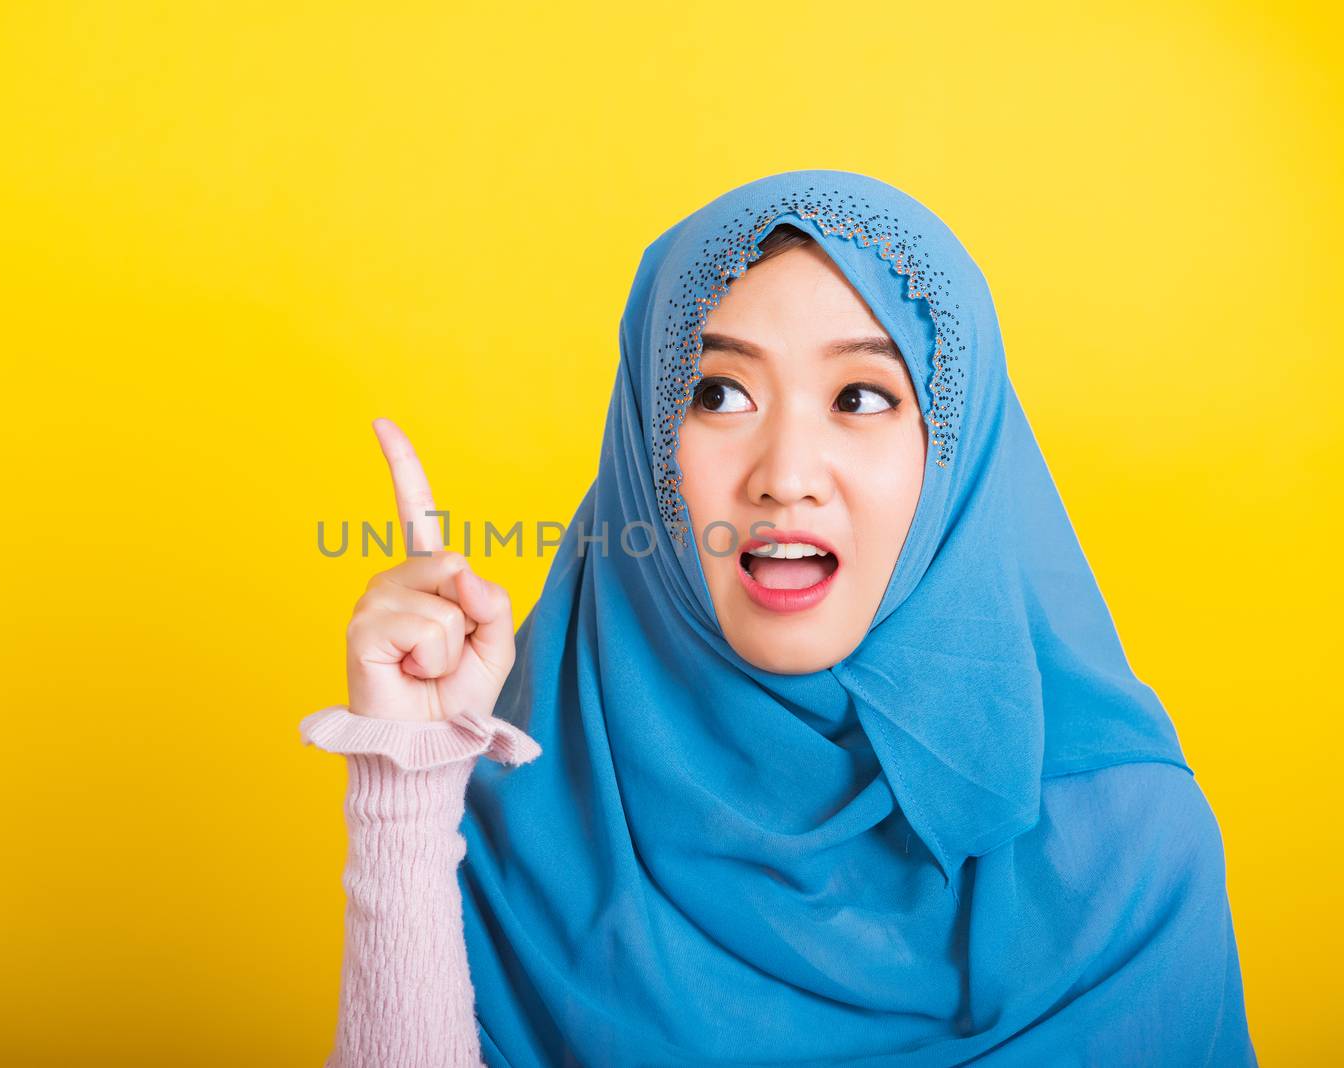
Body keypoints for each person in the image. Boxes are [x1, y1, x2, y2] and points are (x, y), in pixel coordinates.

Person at [300, 170, 1255, 1066]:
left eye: (862, 397)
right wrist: (404, 787)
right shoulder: (516, 801)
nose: (786, 475)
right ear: (644, 448)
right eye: (720, 393)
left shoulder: (1128, 852)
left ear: (953, 461)